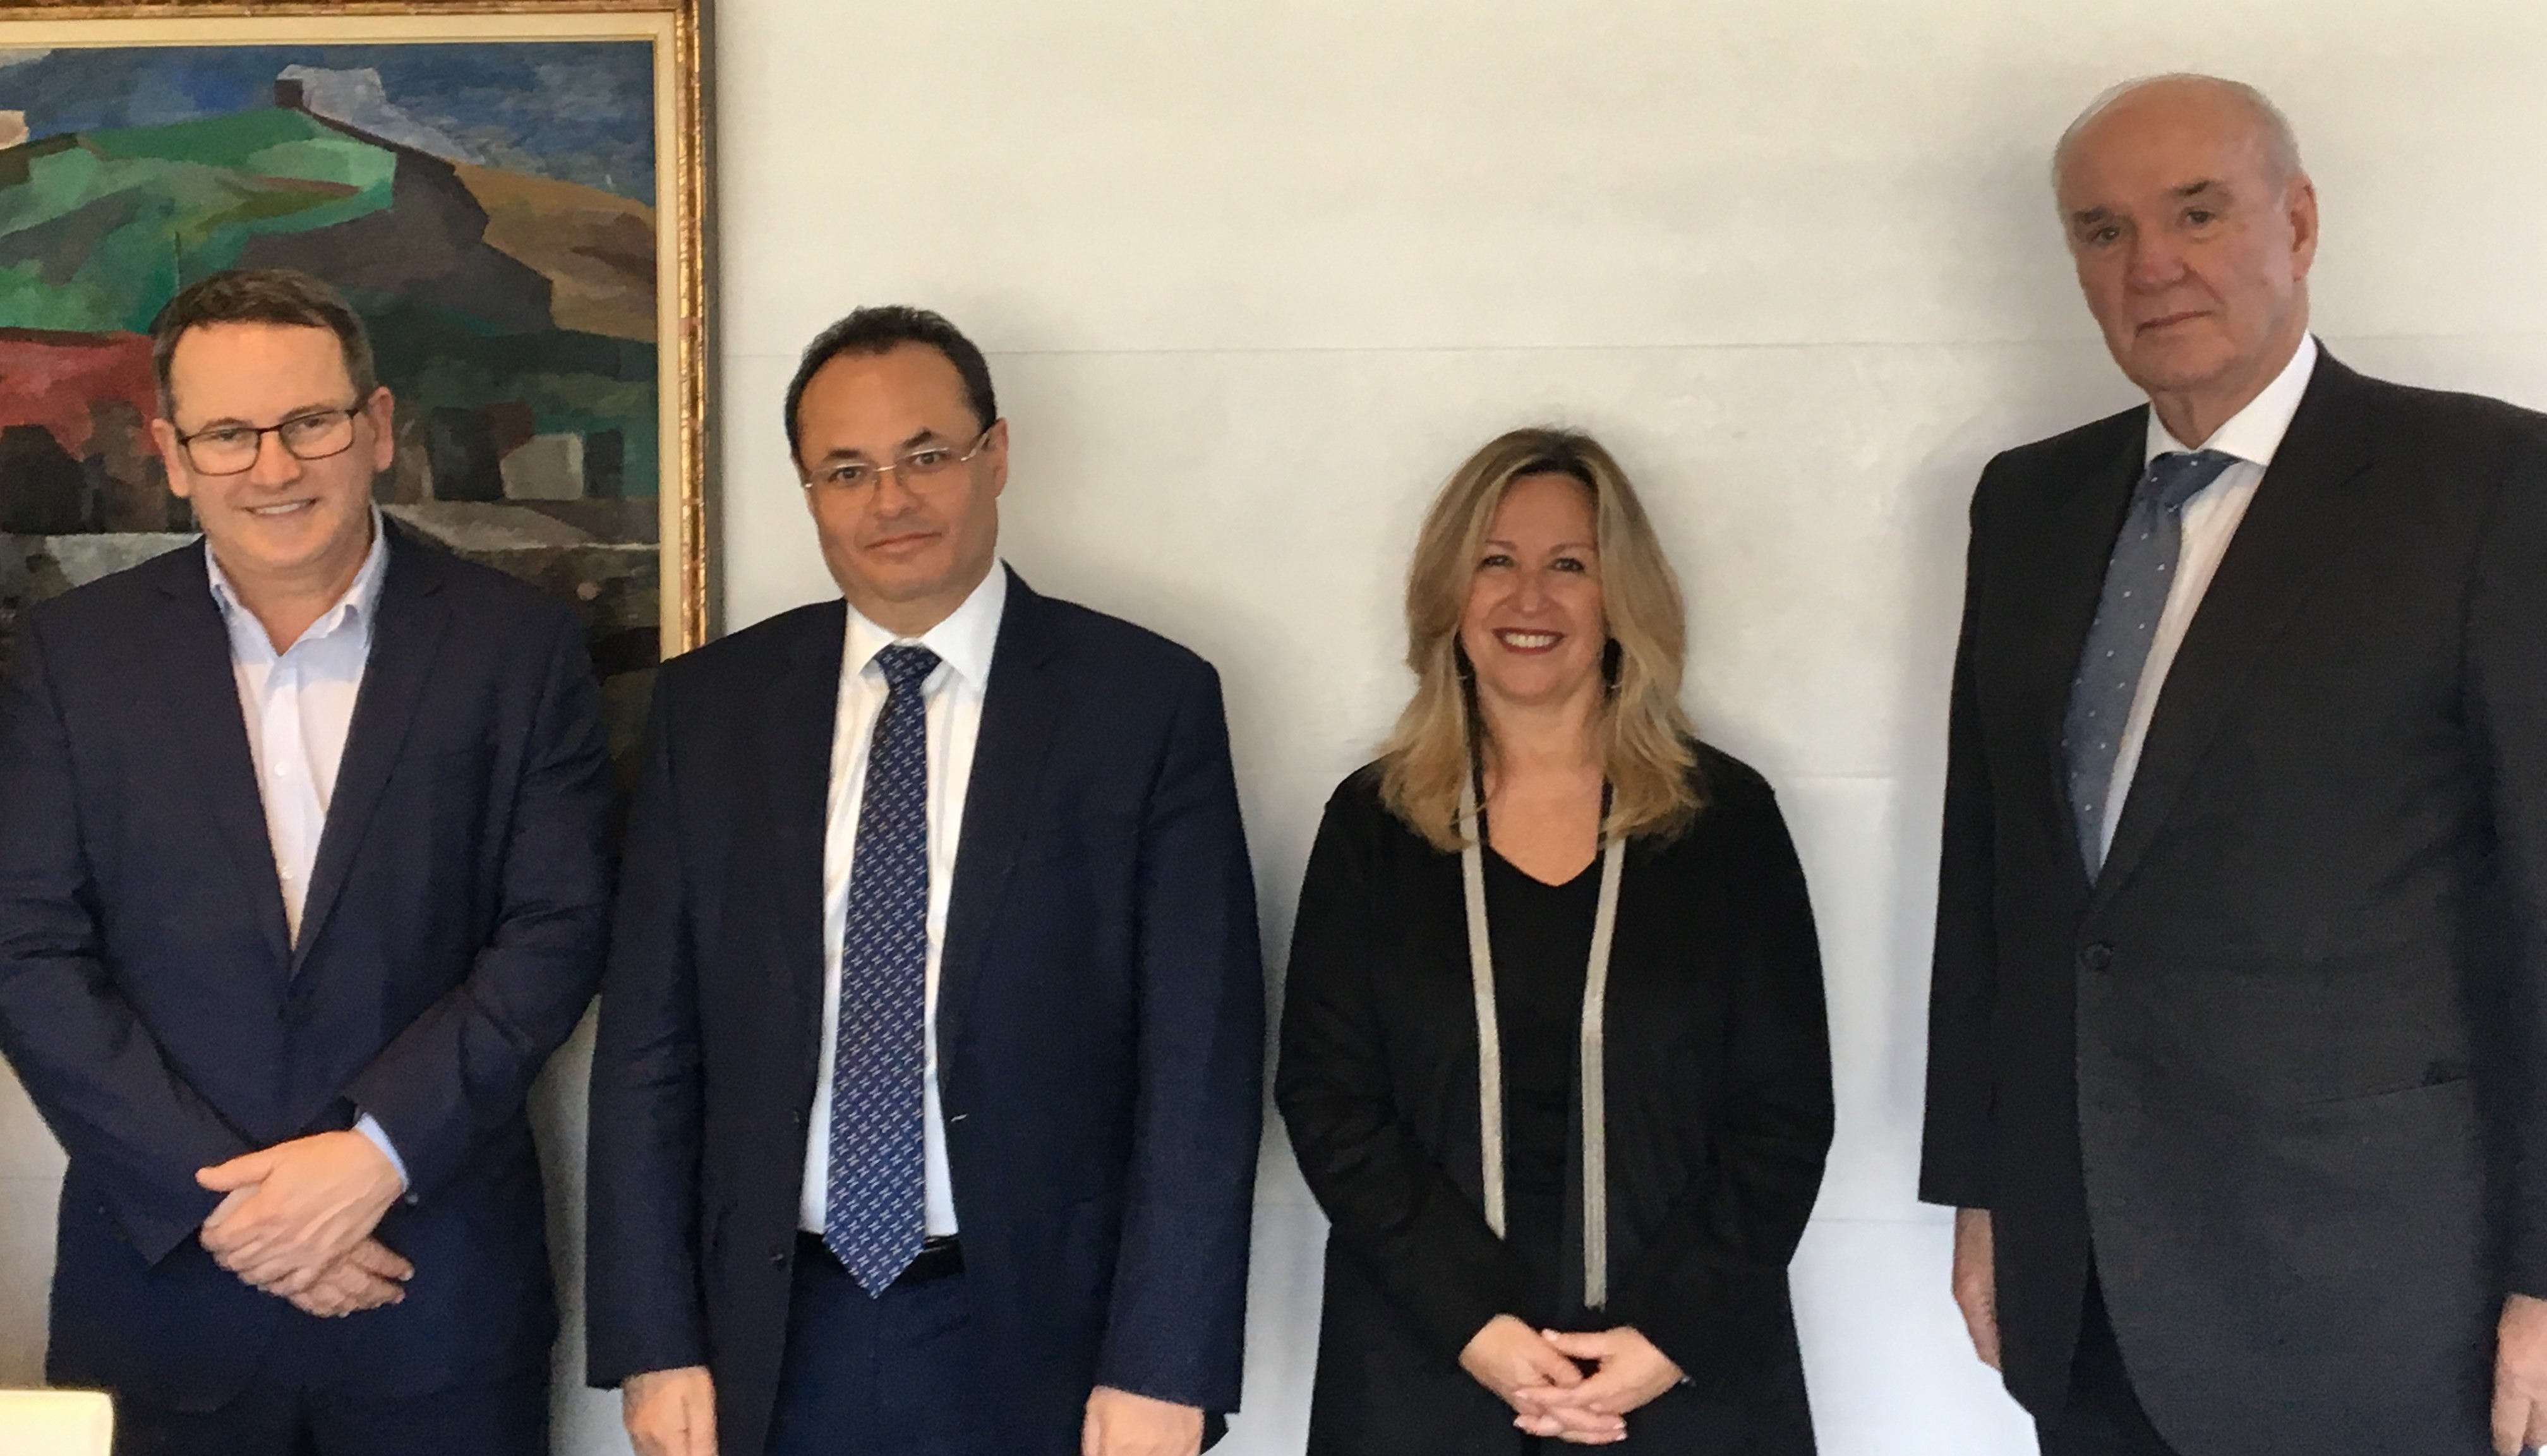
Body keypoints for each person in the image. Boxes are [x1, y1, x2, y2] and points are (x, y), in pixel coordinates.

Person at [1920, 73, 2547, 1456]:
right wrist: (1982, 1187)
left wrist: (2544, 1275)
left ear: (2300, 222)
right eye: (2101, 230)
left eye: (2196, 211)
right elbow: (1997, 878)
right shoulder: (2028, 504)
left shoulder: (2487, 484)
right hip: (2081, 1268)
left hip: (2375, 1294)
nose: (2151, 265)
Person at [585, 305, 1264, 1456]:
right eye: (846, 470)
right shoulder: (710, 712)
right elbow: (651, 1047)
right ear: (808, 493)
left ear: (995, 454)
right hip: (771, 1328)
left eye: (925, 456)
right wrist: (653, 1340)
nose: (888, 499)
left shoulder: (1142, 703)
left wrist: (1166, 1361)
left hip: (1040, 1327)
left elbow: (1200, 1061)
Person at [0, 268, 614, 1453]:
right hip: (166, 1300)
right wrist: (228, 1209)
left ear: (376, 427)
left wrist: (376, 1156)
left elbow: (557, 930)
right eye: (229, 434)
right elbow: (28, 952)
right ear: (173, 454)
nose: (273, 468)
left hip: (432, 1292)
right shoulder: (76, 658)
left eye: (310, 422)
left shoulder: (517, 647)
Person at [1276, 428, 1832, 1453]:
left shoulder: (1725, 820)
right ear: (1451, 592)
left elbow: (1784, 1113)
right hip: (1423, 1375)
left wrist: (1668, 1333)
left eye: (1568, 565)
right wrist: (1474, 1323)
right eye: (1497, 561)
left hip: (1683, 1385)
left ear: (1621, 598)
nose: (1528, 598)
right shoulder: (1373, 825)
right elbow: (1327, 1096)